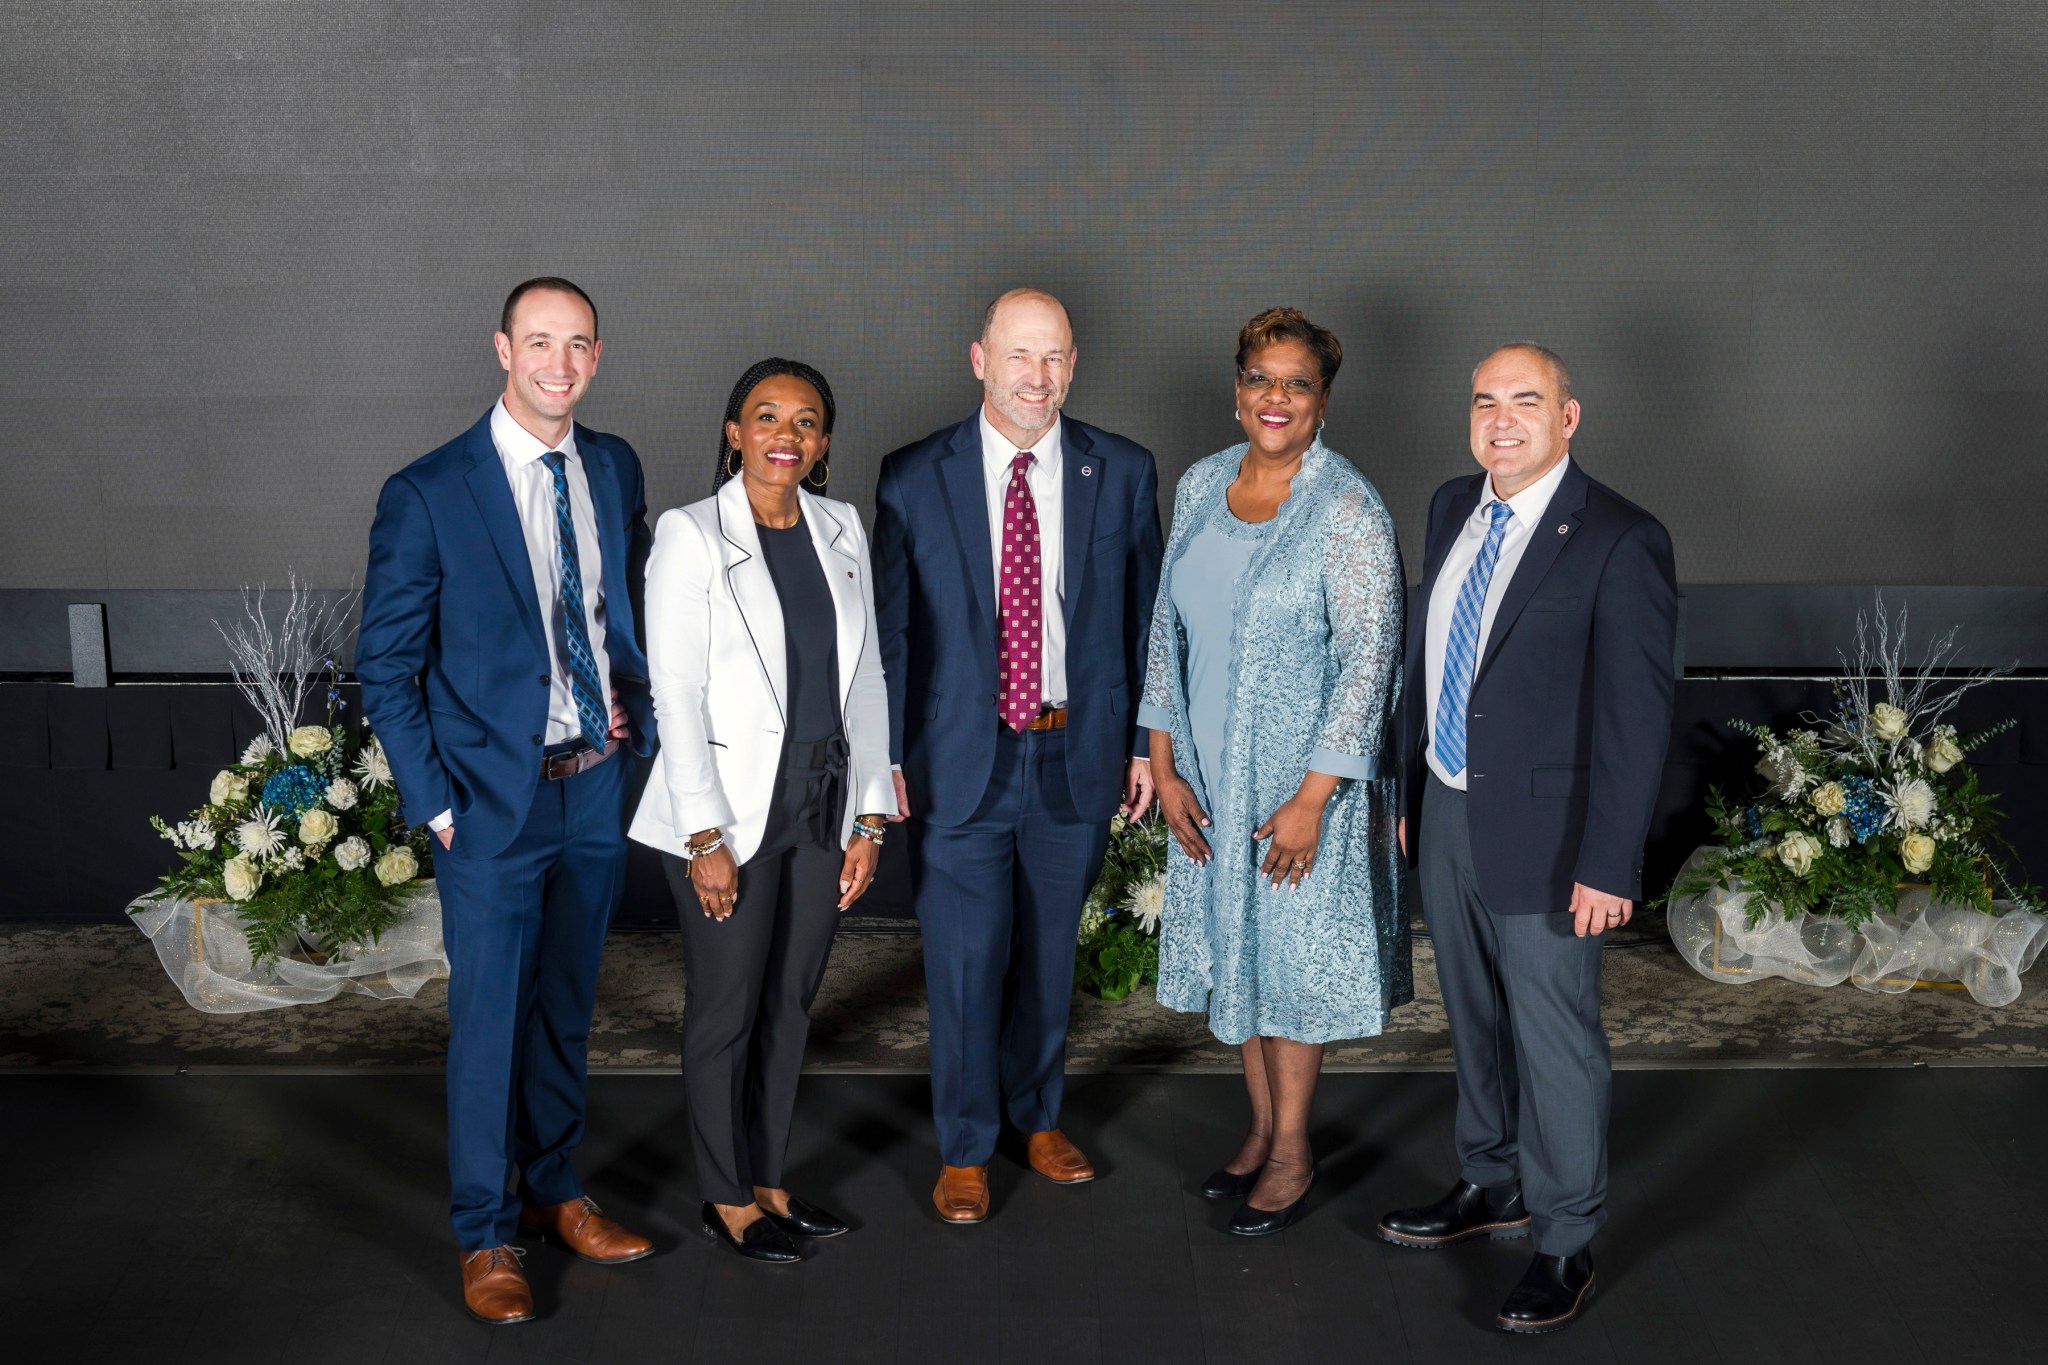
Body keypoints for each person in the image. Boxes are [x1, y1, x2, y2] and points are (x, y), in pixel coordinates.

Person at [358, 277, 656, 1326]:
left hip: (589, 793)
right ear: (501, 349)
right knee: (490, 1024)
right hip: (487, 809)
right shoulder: (430, 490)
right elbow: (384, 667)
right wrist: (436, 806)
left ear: (597, 355)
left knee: (565, 1014)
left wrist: (636, 725)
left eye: (577, 344)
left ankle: (555, 1189)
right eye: (539, 342)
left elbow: (623, 615)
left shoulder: (612, 466)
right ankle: (485, 1234)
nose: (558, 364)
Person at [1376, 344, 1677, 1334]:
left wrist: (1607, 861)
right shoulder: (1450, 503)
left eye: (1524, 401)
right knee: (1473, 1016)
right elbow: (1435, 655)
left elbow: (1634, 719)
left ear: (1568, 415)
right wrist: (1420, 782)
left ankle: (1564, 1237)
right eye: (1483, 402)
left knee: (1553, 1039)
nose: (1500, 420)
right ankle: (1491, 1180)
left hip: (1554, 837)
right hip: (1451, 806)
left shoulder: (1619, 538)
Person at [873, 288, 1164, 1223]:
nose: (1037, 378)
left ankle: (1035, 1118)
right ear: (979, 359)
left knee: (1047, 955)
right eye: (1019, 357)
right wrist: (886, 762)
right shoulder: (913, 476)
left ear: (1073, 366)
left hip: (1074, 754)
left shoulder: (1119, 470)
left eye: (1054, 359)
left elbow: (1146, 622)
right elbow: (893, 636)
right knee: (963, 960)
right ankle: (964, 1145)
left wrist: (1144, 748)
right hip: (960, 756)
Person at [1141, 308, 1409, 1236]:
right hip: (1208, 779)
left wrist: (1312, 797)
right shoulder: (1203, 481)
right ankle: (1258, 1131)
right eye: (1262, 377)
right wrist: (1163, 762)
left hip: (1300, 791)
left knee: (1290, 966)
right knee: (1236, 954)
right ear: (1238, 385)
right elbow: (1163, 632)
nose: (1276, 397)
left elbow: (1370, 657)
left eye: (1297, 382)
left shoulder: (1346, 507)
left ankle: (1293, 1148)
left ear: (1323, 399)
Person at [629, 358, 895, 1264]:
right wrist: (703, 833)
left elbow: (868, 678)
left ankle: (772, 1178)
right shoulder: (691, 534)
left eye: (807, 420)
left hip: (823, 798)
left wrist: (871, 816)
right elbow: (676, 688)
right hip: (731, 811)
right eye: (767, 416)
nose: (787, 433)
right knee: (728, 1005)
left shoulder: (842, 526)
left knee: (791, 999)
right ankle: (723, 1192)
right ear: (735, 431)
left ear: (822, 444)